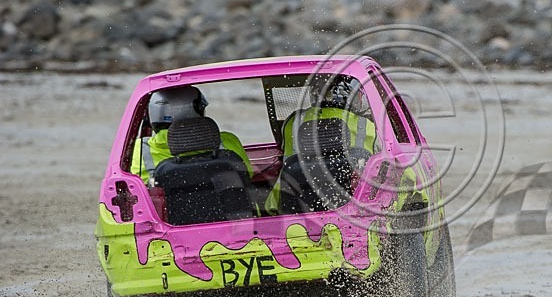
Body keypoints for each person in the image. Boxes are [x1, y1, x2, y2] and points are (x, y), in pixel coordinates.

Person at [264, 76, 379, 214]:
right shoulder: (368, 126)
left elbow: (284, 157)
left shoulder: (293, 122)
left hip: (296, 205)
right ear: (353, 98)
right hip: (355, 206)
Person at [130, 85, 253, 186]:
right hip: (238, 215)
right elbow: (248, 174)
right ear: (196, 111)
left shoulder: (138, 150)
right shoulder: (227, 141)